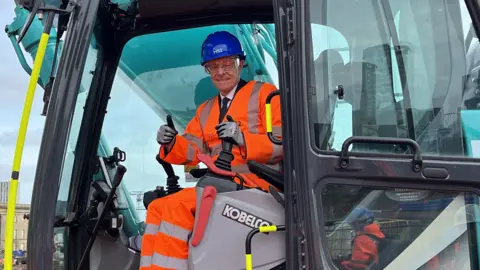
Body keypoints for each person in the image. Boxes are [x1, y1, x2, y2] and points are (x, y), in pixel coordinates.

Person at [139, 30, 283, 270]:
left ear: (241, 63)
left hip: (258, 183)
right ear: (206, 69)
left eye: (227, 64)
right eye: (213, 66)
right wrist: (171, 142)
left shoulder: (265, 95)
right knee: (157, 207)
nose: (220, 72)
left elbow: (282, 144)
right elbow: (192, 150)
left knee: (177, 208)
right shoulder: (205, 110)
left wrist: (242, 138)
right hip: (223, 185)